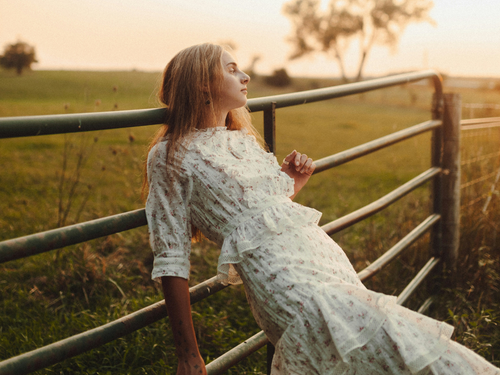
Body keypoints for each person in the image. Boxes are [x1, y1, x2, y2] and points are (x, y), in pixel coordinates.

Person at [143, 43, 499, 375]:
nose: (245, 77)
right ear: (203, 85)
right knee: (417, 353)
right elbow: (172, 254)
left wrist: (290, 184)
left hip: (327, 263)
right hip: (286, 284)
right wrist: (187, 351)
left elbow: (259, 213)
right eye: (232, 70)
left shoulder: (241, 141)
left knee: (386, 355)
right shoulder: (171, 156)